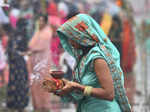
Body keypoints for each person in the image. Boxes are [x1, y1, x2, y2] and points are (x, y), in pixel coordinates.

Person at [46, 14, 131, 112]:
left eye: (72, 37)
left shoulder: (97, 58)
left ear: (82, 35)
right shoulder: (83, 58)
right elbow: (82, 90)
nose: (69, 41)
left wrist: (76, 86)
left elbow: (109, 94)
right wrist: (63, 85)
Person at [28, 14, 52, 112]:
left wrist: (30, 50)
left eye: (42, 21)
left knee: (43, 83)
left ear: (45, 22)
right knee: (35, 83)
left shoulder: (47, 32)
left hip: (43, 62)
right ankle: (37, 106)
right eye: (39, 20)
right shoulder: (38, 31)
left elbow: (37, 46)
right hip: (35, 61)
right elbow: (31, 44)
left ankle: (44, 106)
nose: (40, 23)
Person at [6, 18, 29, 112]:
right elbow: (12, 50)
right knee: (19, 83)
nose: (25, 27)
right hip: (17, 64)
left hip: (17, 64)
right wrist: (21, 54)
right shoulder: (18, 35)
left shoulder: (17, 34)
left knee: (19, 83)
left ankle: (18, 105)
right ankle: (19, 105)